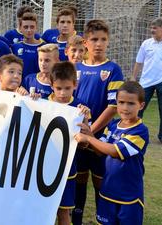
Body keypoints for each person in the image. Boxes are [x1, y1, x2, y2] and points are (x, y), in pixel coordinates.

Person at [72, 19, 124, 225]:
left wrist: (90, 133)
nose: (99, 44)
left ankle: (104, 220)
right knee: (79, 179)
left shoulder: (113, 69)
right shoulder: (76, 68)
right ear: (85, 42)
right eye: (94, 39)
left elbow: (112, 107)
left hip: (99, 137)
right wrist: (81, 135)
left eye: (103, 39)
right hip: (77, 137)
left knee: (100, 180)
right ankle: (76, 219)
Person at [75, 81, 148, 225]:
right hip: (107, 190)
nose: (125, 108)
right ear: (116, 103)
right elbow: (100, 150)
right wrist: (86, 133)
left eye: (131, 103)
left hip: (129, 195)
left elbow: (115, 151)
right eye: (121, 102)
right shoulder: (113, 125)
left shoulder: (140, 130)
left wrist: (89, 138)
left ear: (141, 105)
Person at [48, 62, 90, 225]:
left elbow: (84, 145)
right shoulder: (43, 104)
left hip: (67, 169)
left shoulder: (80, 109)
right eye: (58, 88)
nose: (63, 93)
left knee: (63, 213)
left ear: (75, 85)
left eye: (67, 88)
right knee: (44, 210)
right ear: (52, 85)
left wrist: (85, 122)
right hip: (44, 169)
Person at [131, 17, 162, 144]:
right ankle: (133, 131)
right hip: (146, 82)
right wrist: (134, 77)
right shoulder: (146, 43)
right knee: (138, 108)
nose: (152, 30)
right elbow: (139, 62)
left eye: (155, 28)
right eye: (151, 27)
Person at [11, 12, 45, 79]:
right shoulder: (15, 47)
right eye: (26, 27)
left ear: (36, 28)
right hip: (19, 87)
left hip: (36, 86)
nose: (29, 30)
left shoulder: (44, 47)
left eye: (32, 27)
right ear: (20, 28)